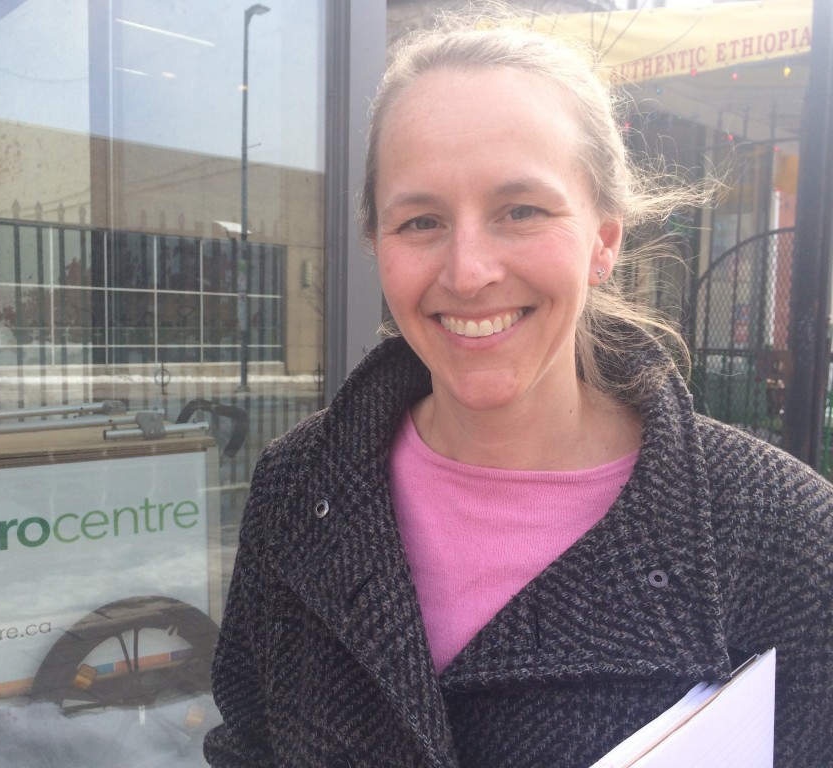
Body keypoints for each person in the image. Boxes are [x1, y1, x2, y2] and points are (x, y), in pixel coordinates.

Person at [203, 12, 833, 768]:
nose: (468, 271)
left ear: (604, 239)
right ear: (377, 243)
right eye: (422, 220)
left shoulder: (787, 536)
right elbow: (248, 747)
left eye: (521, 211)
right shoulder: (295, 491)